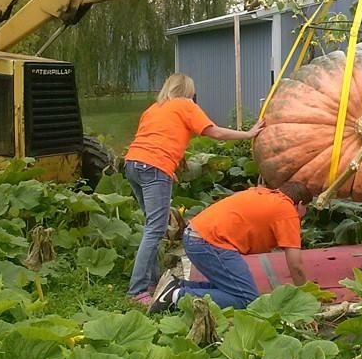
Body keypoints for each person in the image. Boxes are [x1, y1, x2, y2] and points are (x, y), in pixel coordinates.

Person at [123, 73, 264, 305]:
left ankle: (151, 283)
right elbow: (214, 132)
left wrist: (171, 167)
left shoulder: (155, 108)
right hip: (154, 168)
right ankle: (137, 291)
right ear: (189, 91)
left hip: (133, 165)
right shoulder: (186, 105)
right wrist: (248, 134)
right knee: (155, 230)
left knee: (152, 227)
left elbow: (156, 137)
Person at [149, 182, 311, 312]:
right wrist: (305, 298)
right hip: (209, 243)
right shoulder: (287, 210)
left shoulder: (263, 194)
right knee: (246, 299)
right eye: (307, 208)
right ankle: (177, 296)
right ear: (300, 204)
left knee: (231, 287)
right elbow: (296, 265)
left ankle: (179, 286)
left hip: (197, 236)